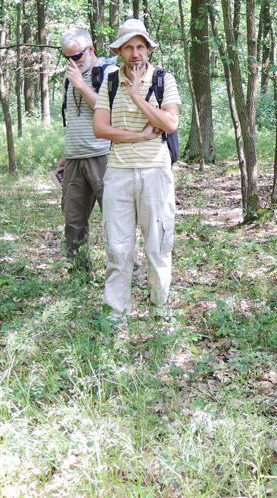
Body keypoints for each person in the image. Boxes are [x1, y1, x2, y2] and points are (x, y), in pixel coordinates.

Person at [92, 18, 180, 324]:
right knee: (118, 249)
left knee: (158, 246)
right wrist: (138, 135)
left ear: (148, 49)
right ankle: (116, 314)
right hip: (118, 172)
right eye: (128, 47)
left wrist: (136, 98)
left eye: (140, 46)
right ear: (119, 51)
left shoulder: (163, 80)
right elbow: (100, 128)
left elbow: (170, 124)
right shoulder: (110, 81)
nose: (135, 53)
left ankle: (160, 308)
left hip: (155, 171)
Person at [57, 27, 114, 267]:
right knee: (73, 220)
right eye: (67, 57)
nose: (72, 62)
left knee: (114, 217)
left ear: (91, 50)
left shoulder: (108, 72)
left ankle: (125, 271)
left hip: (103, 155)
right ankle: (79, 272)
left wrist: (81, 85)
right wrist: (66, 153)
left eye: (77, 56)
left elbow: (108, 112)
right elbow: (74, 119)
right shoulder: (71, 78)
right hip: (74, 158)